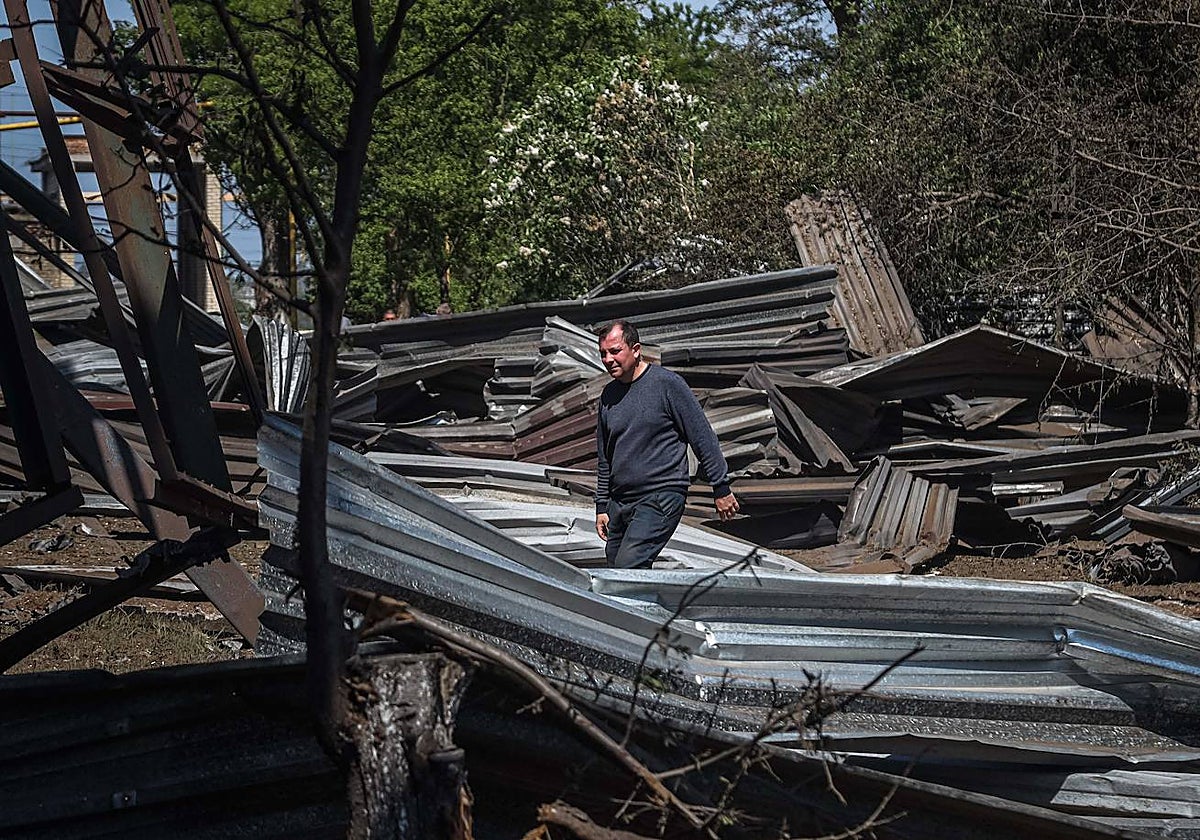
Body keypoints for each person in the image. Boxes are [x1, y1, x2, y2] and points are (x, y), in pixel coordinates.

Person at [594, 320, 740, 568]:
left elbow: (702, 436)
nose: (608, 360)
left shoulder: (666, 385)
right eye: (603, 354)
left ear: (636, 349)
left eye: (615, 351)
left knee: (628, 568)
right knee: (615, 569)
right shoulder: (609, 396)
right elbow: (605, 457)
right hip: (620, 502)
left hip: (660, 495)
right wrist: (602, 505)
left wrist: (721, 486)